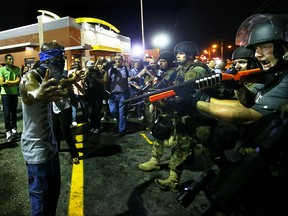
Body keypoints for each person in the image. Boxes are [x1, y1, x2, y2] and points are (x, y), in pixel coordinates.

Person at [19, 40, 78, 216]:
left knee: (53, 197)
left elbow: (61, 87)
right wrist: (37, 94)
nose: (63, 62)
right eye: (61, 59)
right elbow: (29, 92)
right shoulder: (30, 77)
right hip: (36, 152)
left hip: (50, 148)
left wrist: (70, 82)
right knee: (41, 204)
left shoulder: (50, 77)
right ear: (52, 61)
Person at [146, 41, 213, 192]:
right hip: (186, 114)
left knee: (212, 148)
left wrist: (167, 102)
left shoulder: (196, 71)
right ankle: (173, 180)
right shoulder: (181, 70)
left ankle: (228, 173)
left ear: (190, 55)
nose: (178, 56)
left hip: (200, 115)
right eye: (177, 53)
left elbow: (185, 94)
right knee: (179, 146)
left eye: (181, 53)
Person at [138, 50, 178, 171]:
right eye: (159, 61)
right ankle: (155, 160)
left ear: (170, 62)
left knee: (177, 138)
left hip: (174, 110)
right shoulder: (163, 73)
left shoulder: (175, 73)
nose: (160, 63)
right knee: (159, 132)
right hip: (164, 109)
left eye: (163, 61)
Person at [105, 53, 130, 137]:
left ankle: (121, 130)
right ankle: (121, 122)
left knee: (122, 112)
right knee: (113, 111)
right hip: (113, 94)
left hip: (122, 93)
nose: (118, 61)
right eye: (116, 59)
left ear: (122, 61)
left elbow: (128, 78)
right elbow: (106, 80)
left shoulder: (126, 69)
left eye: (120, 59)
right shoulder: (111, 70)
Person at [0, 54, 21, 142]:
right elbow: (1, 83)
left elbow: (18, 81)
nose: (12, 60)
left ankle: (14, 129)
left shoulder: (17, 69)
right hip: (5, 94)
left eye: (12, 59)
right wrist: (14, 82)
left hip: (14, 94)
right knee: (7, 113)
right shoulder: (2, 70)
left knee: (13, 112)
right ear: (5, 61)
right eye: (9, 59)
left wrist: (8, 82)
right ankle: (8, 131)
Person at [68, 61, 89, 128]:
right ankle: (74, 120)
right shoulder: (71, 72)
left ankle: (86, 118)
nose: (76, 65)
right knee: (74, 107)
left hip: (82, 92)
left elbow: (85, 78)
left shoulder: (83, 71)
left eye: (77, 64)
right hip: (74, 92)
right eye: (75, 64)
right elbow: (69, 79)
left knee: (84, 106)